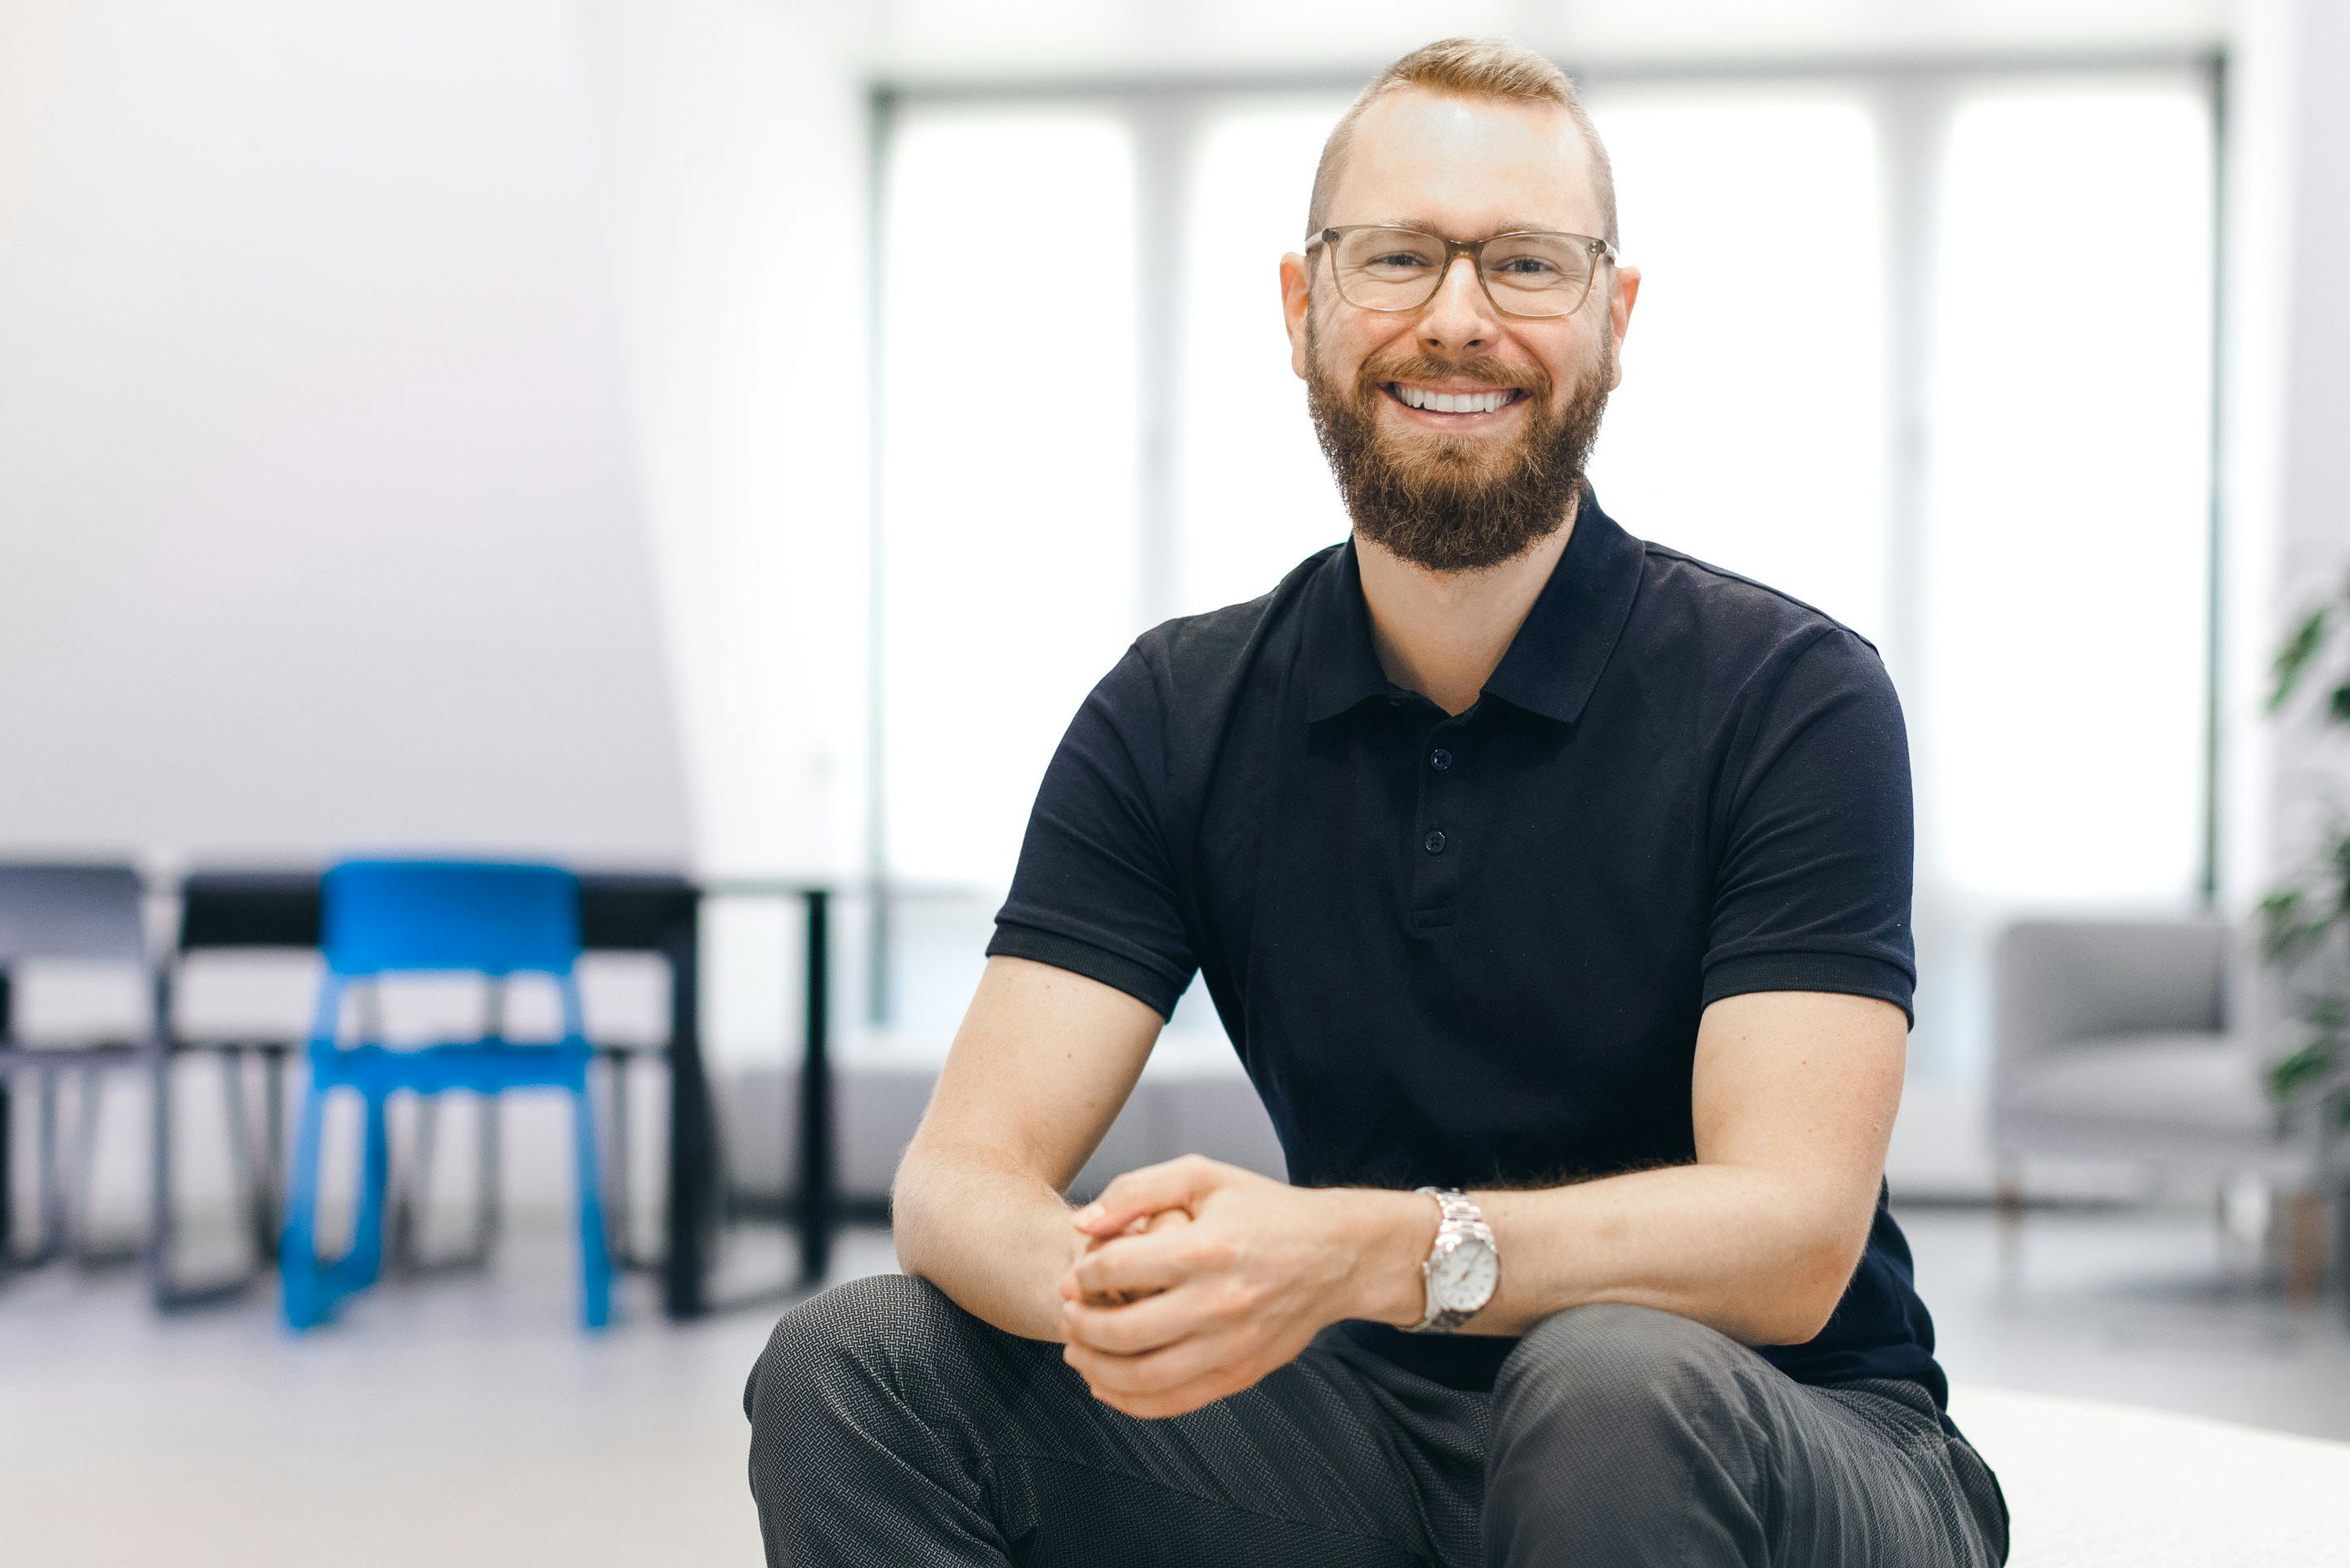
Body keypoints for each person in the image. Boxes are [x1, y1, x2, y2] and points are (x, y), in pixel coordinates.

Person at [745, 36, 2008, 1567]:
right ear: (1302, 309)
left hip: (1782, 1431)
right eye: (1397, 256)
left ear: (1611, 319)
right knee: (857, 1367)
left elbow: (1791, 1243)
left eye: (1526, 264)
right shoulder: (1175, 710)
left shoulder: (1788, 694)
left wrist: (1362, 1249)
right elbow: (958, 1178)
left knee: (1608, 1380)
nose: (1457, 318)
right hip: (1367, 1438)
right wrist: (1141, 1297)